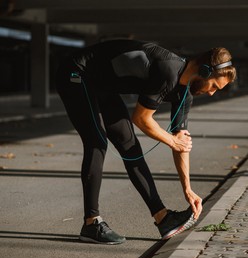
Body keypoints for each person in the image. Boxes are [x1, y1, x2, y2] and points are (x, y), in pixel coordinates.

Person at [55, 39, 237, 244]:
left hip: (102, 84)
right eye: (214, 86)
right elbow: (141, 119)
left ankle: (163, 218)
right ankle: (91, 223)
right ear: (203, 71)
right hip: (78, 73)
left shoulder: (185, 95)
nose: (212, 93)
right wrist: (172, 141)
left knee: (130, 145)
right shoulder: (168, 70)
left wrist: (188, 189)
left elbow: (181, 143)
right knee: (97, 142)